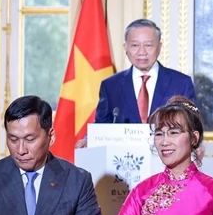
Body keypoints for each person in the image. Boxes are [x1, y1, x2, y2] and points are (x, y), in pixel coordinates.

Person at [103, 96, 213, 215]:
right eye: (159, 134)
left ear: (194, 138)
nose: (164, 142)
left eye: (173, 132)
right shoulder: (143, 190)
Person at [77, 19, 196, 147]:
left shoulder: (181, 83)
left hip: (167, 158)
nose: (141, 52)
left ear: (160, 47)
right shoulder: (111, 86)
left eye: (148, 45)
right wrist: (89, 139)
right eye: (135, 45)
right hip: (123, 159)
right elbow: (102, 125)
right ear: (126, 48)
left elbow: (192, 125)